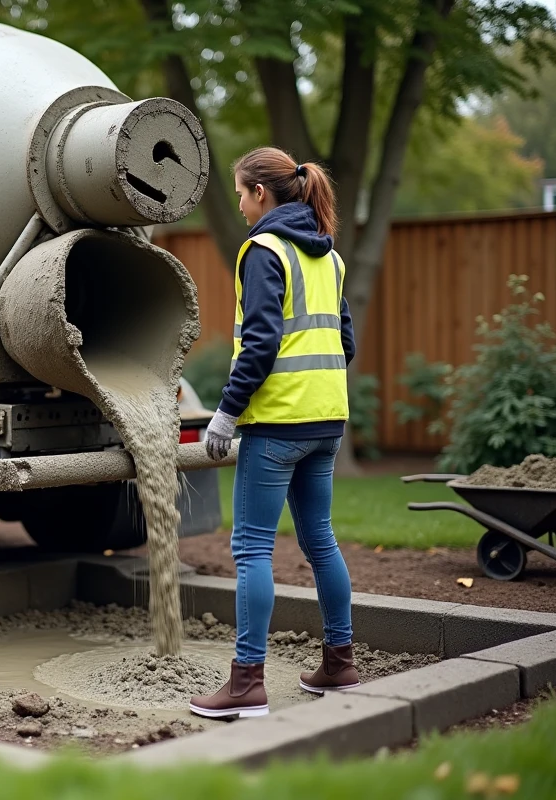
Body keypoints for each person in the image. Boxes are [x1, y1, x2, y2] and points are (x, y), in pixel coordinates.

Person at [188, 146, 360, 720]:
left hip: (277, 422)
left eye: (240, 192)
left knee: (252, 547)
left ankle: (246, 683)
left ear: (261, 193)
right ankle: (339, 661)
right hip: (326, 420)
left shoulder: (263, 251)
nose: (237, 204)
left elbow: (259, 342)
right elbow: (347, 342)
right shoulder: (329, 257)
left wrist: (225, 413)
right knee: (320, 540)